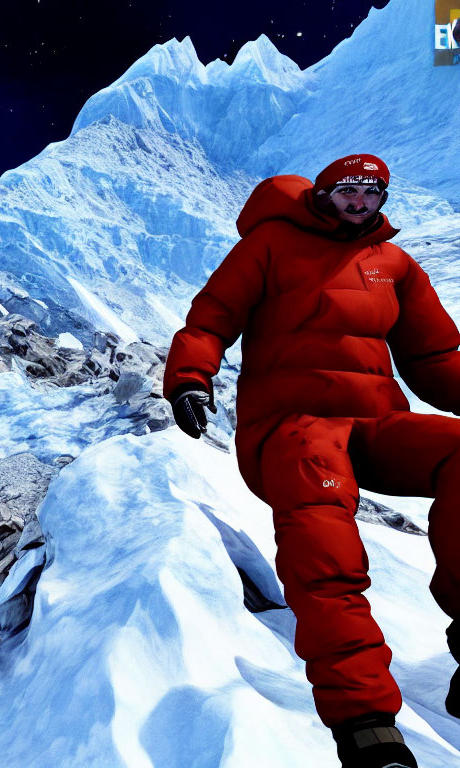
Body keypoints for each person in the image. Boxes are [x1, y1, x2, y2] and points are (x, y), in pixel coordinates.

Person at [163, 153, 460, 768]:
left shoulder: (395, 265)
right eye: (349, 189)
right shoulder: (272, 244)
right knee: (325, 547)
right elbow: (213, 316)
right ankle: (366, 724)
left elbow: (435, 360)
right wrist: (191, 375)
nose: (361, 201)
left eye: (372, 193)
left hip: (377, 423)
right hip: (293, 427)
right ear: (324, 192)